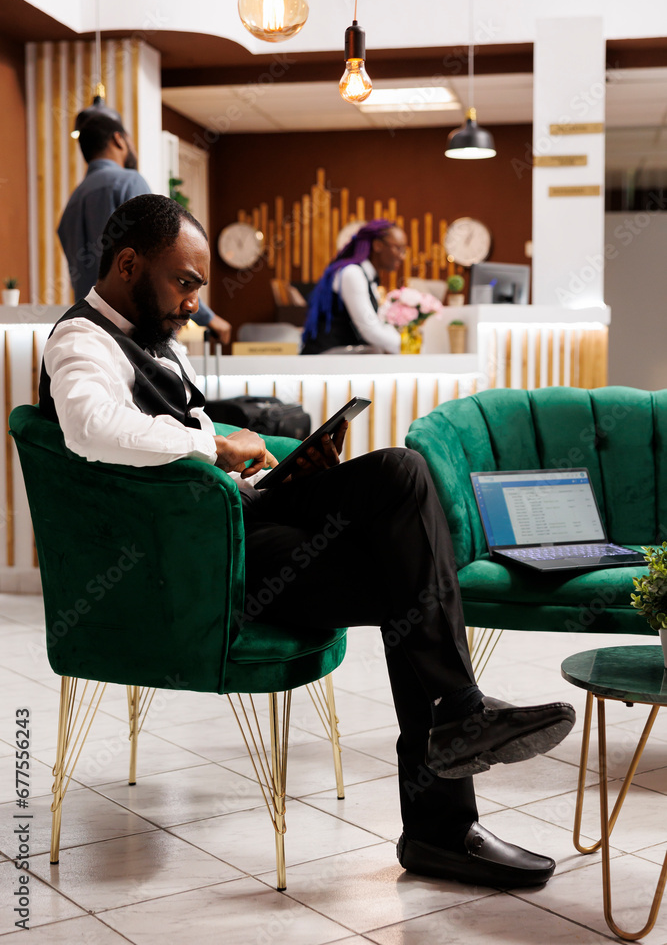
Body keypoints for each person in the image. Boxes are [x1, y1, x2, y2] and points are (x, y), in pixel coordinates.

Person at [40, 194, 576, 889]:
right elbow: (89, 429)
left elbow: (172, 429)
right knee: (404, 571)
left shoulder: (154, 340)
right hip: (204, 560)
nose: (196, 303)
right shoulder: (80, 341)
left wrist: (265, 457)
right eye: (186, 281)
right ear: (127, 263)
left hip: (243, 516)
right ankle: (445, 807)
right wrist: (211, 442)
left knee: (399, 472)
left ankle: (456, 739)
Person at [57, 100, 231, 344]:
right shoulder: (128, 182)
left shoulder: (73, 202)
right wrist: (208, 318)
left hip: (93, 326)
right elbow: (163, 262)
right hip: (135, 331)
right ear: (119, 140)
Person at [301, 219, 405, 354]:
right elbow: (370, 330)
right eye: (399, 248)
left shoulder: (367, 276)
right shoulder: (353, 273)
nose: (402, 256)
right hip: (325, 360)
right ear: (378, 245)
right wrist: (407, 345)